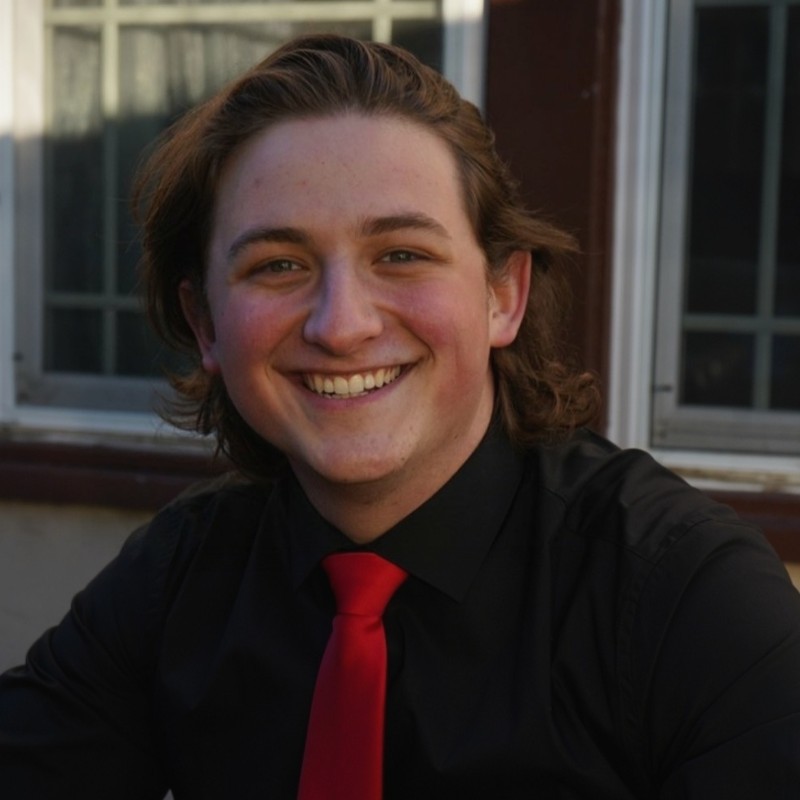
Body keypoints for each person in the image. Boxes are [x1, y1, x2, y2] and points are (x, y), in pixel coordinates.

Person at [1, 33, 799, 799]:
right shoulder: (180, 575)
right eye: (278, 265)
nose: (341, 325)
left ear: (502, 295)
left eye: (402, 255)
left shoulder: (687, 599)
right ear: (206, 325)